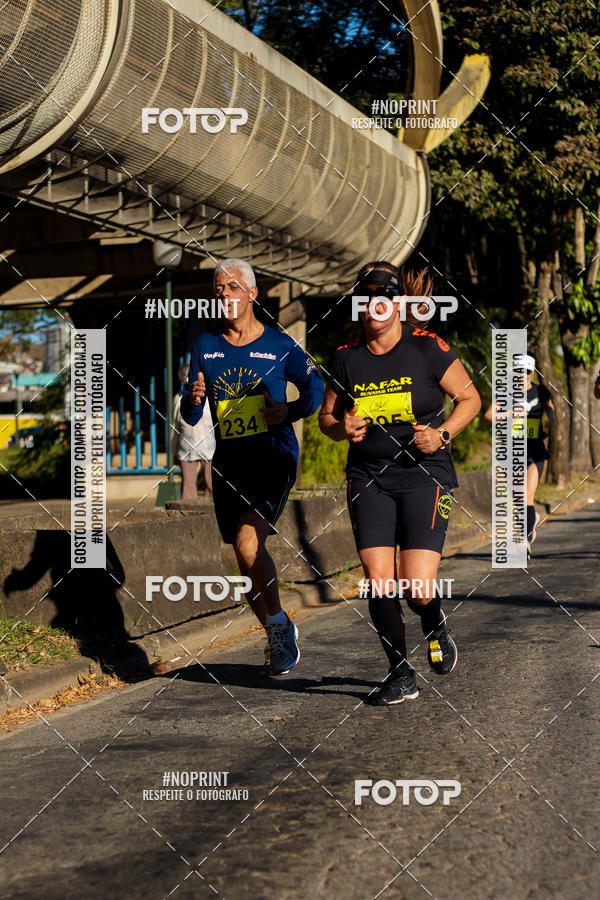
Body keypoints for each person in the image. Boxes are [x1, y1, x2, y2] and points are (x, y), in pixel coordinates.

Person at [318, 261, 481, 706]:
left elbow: (470, 398)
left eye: (384, 295)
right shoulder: (346, 355)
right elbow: (327, 417)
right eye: (367, 296)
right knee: (378, 580)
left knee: (418, 589)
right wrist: (342, 428)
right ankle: (399, 673)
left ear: (399, 302)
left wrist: (442, 433)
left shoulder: (428, 349)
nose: (376, 304)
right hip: (369, 478)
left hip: (425, 477)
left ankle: (433, 623)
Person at [181, 258, 324, 675]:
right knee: (244, 561)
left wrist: (290, 410)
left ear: (252, 294)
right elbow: (192, 417)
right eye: (218, 289)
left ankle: (278, 624)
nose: (224, 295)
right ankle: (276, 631)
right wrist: (193, 398)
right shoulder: (206, 345)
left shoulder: (279, 345)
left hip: (274, 457)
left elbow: (314, 388)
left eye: (232, 287)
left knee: (248, 542)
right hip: (229, 463)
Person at [484, 353, 554, 557]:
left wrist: (549, 419)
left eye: (526, 371)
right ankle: (531, 521)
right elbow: (488, 417)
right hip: (511, 451)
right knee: (518, 499)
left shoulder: (541, 391)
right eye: (518, 370)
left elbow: (550, 408)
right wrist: (508, 414)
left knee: (526, 495)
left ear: (532, 372)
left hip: (535, 449)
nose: (522, 375)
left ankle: (524, 539)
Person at [172, 364, 215, 499]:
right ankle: (190, 512)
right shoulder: (179, 398)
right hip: (187, 444)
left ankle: (212, 511)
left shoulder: (208, 397)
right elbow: (175, 423)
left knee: (211, 482)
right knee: (189, 484)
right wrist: (174, 447)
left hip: (209, 445)